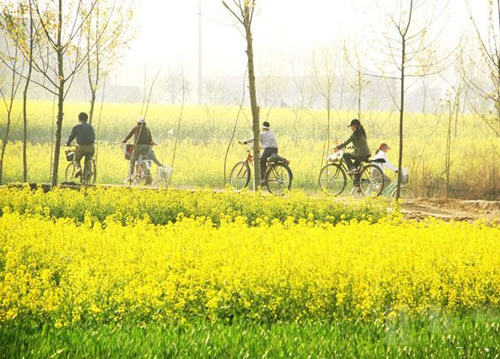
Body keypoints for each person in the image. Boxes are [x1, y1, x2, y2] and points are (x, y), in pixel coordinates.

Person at [65, 112, 95, 178]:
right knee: (88, 159)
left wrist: (67, 143)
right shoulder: (90, 127)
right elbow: (93, 137)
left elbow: (71, 136)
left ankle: (79, 169)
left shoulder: (76, 127)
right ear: (87, 119)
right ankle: (89, 171)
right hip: (91, 147)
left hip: (82, 147)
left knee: (76, 159)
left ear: (79, 118)